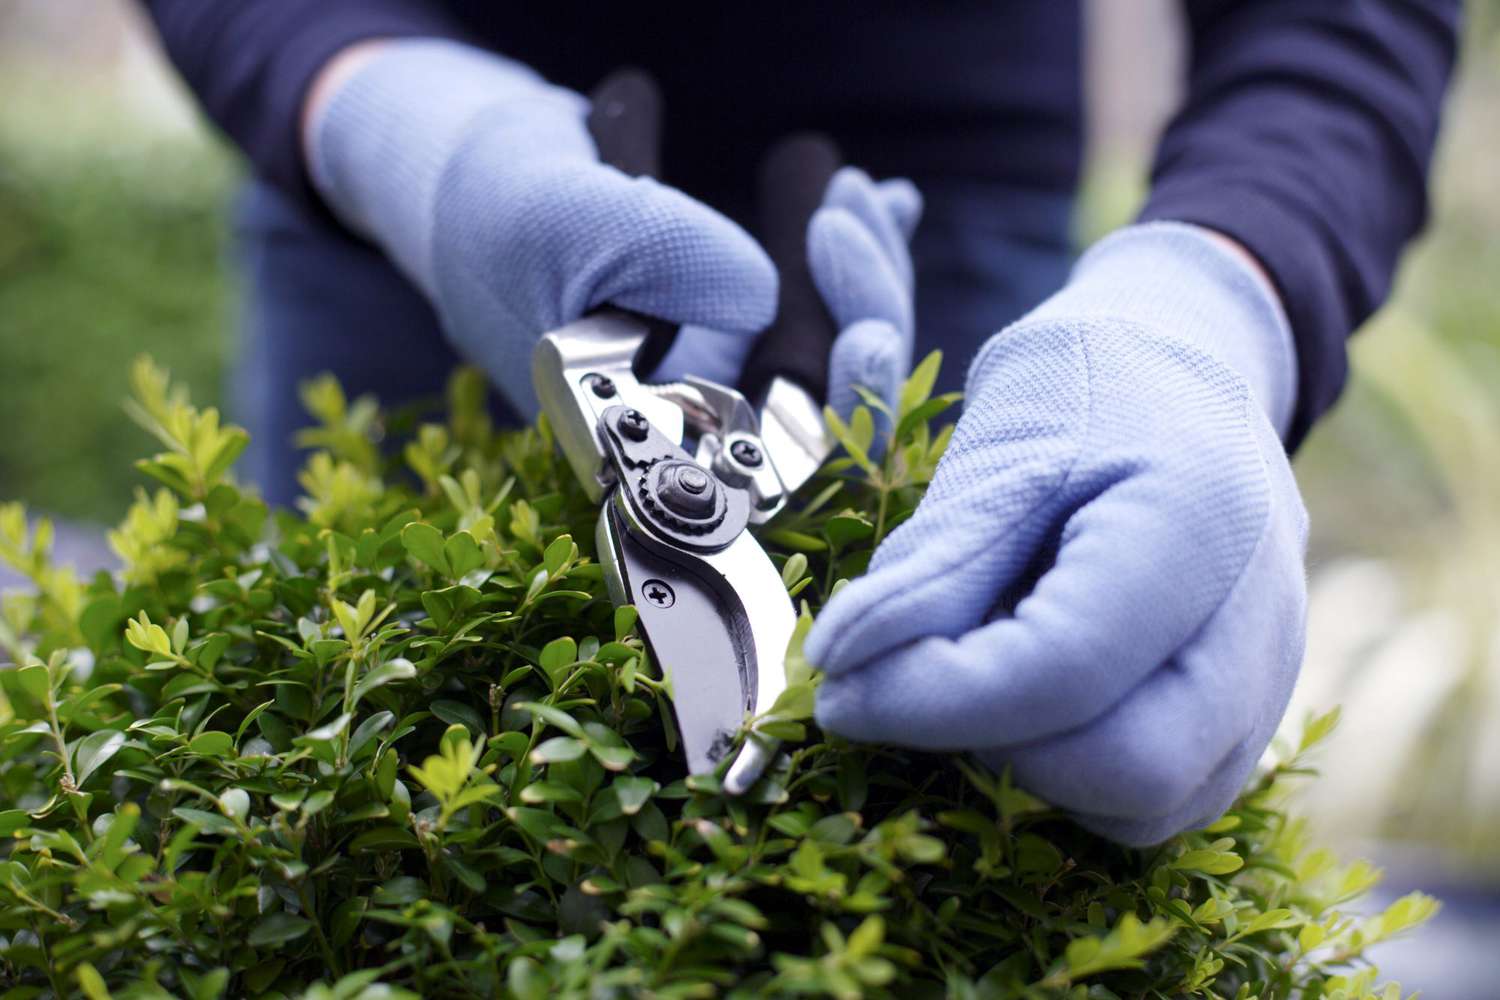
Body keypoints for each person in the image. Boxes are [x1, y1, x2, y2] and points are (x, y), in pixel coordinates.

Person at [142, 1, 1459, 844]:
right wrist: (386, 118)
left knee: (977, 790)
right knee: (352, 773)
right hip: (403, 154)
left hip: (940, 152)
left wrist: (1218, 299)